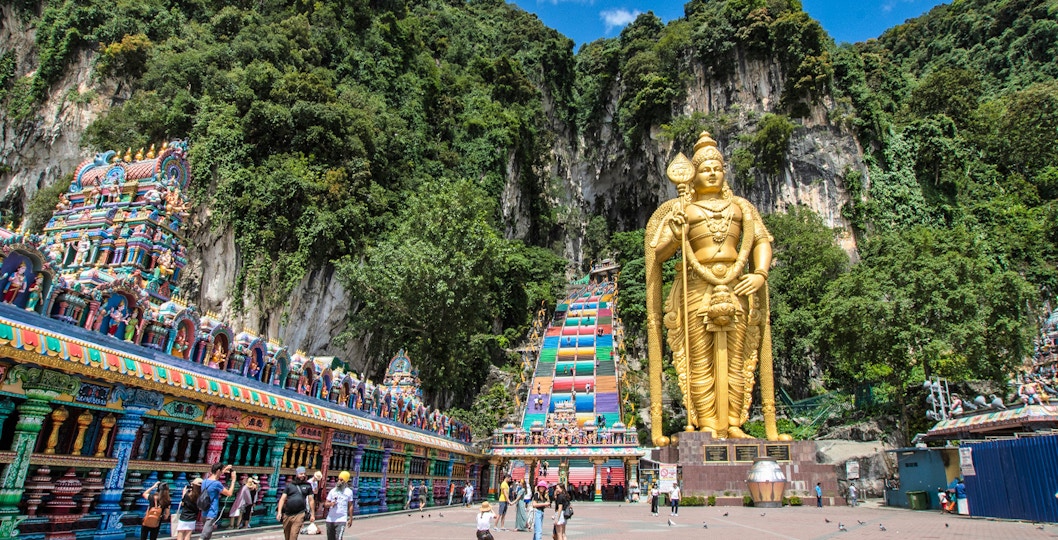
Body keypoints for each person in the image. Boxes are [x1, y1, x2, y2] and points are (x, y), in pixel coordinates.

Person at [645, 132, 787, 443]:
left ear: (724, 172)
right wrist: (675, 232)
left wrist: (760, 273)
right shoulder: (682, 210)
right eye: (705, 167)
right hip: (697, 286)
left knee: (738, 356)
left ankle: (734, 422)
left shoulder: (741, 208)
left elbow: (761, 241)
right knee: (699, 359)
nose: (711, 171)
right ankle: (707, 423)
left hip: (737, 284)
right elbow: (659, 254)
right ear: (693, 174)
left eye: (717, 167)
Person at [277, 466, 315, 540]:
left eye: (304, 474)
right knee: (287, 536)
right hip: (287, 514)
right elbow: (282, 499)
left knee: (293, 535)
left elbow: (311, 500)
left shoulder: (308, 486)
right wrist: (279, 512)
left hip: (299, 514)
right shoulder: (290, 485)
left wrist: (312, 514)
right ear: (297, 474)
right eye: (301, 474)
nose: (303, 475)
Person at [201, 463, 236, 540]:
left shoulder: (205, 481)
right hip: (211, 512)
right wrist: (233, 480)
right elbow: (229, 493)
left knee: (207, 535)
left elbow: (216, 476)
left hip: (204, 512)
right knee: (203, 537)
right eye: (221, 472)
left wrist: (224, 469)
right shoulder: (217, 484)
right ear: (218, 471)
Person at [324, 471, 354, 540]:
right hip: (330, 519)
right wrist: (330, 504)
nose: (339, 481)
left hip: (341, 519)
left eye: (341, 480)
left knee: (339, 538)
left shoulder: (349, 492)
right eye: (339, 479)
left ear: (345, 481)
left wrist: (351, 518)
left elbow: (350, 505)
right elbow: (326, 504)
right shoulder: (333, 491)